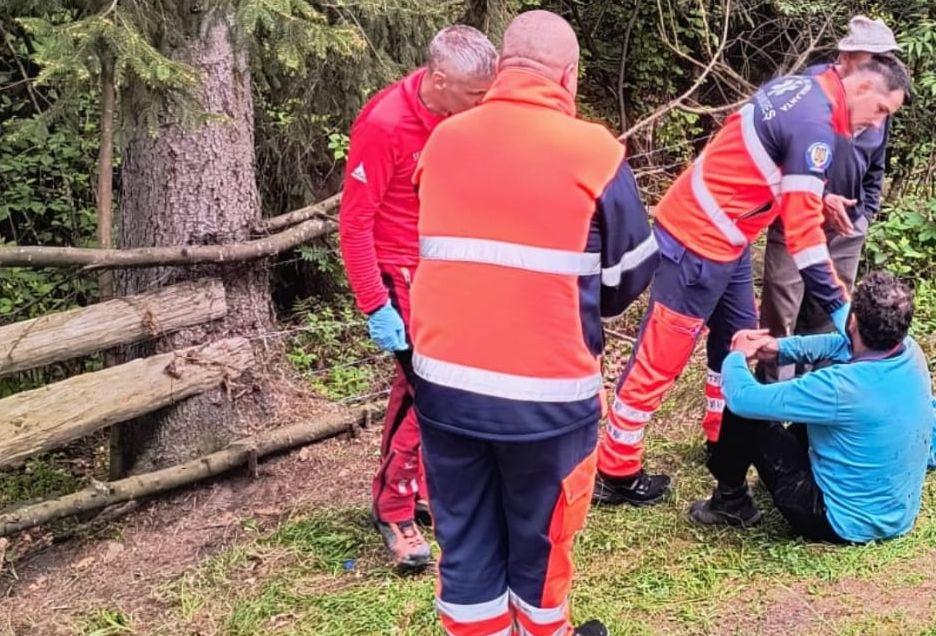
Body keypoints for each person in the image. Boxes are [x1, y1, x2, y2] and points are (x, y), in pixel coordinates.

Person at [410, 10, 658, 635]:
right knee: (542, 550)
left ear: (501, 69)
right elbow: (627, 276)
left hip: (445, 390)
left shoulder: (443, 140)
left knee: (465, 547)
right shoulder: (595, 152)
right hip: (547, 402)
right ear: (568, 77)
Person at [593, 50, 911, 506]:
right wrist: (845, 314)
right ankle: (616, 469)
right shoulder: (815, 128)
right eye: (880, 110)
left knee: (739, 339)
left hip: (732, 236)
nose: (877, 124)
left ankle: (722, 437)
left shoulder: (809, 87)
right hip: (696, 240)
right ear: (860, 87)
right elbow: (802, 240)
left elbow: (768, 162)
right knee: (662, 356)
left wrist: (818, 199)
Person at [338, 25, 496, 569]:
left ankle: (418, 486)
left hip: (442, 269)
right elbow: (354, 223)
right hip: (396, 272)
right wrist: (374, 305)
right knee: (425, 390)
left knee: (425, 386)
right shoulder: (384, 125)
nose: (483, 102)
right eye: (476, 93)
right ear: (441, 78)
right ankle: (394, 508)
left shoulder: (459, 116)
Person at [691, 271, 934, 544]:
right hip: (897, 514)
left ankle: (731, 502)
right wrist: (779, 348)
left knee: (744, 414)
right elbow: (840, 344)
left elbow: (743, 398)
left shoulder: (839, 387)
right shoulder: (911, 353)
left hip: (836, 520)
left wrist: (735, 354)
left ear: (852, 321)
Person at [760, 16, 902, 382]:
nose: (881, 66)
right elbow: (780, 156)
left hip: (845, 233)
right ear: (848, 55)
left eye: (886, 59)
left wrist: (865, 217)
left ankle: (816, 402)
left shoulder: (878, 103)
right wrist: (820, 196)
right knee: (781, 316)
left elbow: (876, 168)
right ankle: (773, 405)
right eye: (875, 57)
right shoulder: (810, 90)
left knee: (828, 320)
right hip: (793, 226)